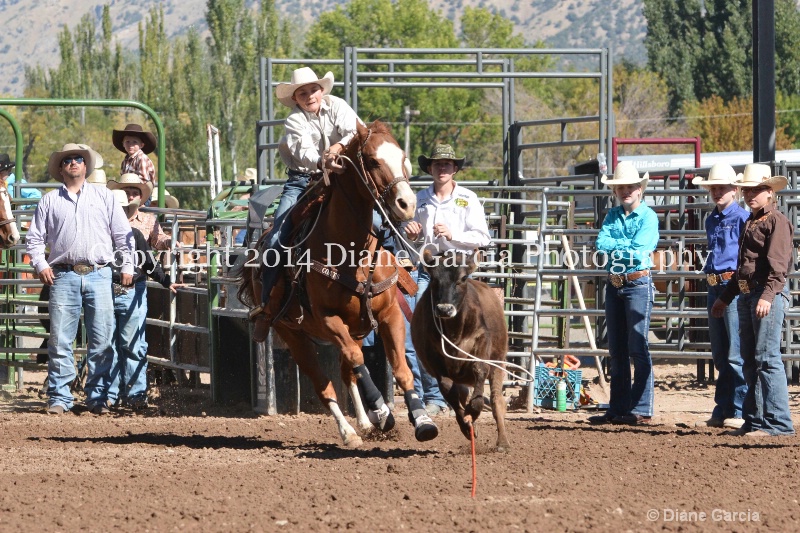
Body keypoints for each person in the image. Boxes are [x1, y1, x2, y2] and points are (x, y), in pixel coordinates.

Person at [251, 67, 361, 342]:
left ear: (321, 91)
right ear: (296, 99)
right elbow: (303, 150)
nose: (309, 95)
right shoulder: (294, 121)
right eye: (303, 93)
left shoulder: (339, 106)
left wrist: (337, 149)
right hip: (304, 181)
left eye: (313, 89)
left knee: (378, 222)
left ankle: (394, 278)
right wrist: (323, 160)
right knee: (276, 236)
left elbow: (355, 132)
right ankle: (267, 305)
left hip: (343, 179)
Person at [25, 143, 134, 415]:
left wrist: (128, 265)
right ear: (61, 169)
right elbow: (34, 239)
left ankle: (98, 397)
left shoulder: (104, 197)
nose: (73, 163)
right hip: (62, 274)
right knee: (60, 339)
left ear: (85, 166)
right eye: (68, 160)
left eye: (78, 159)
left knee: (102, 338)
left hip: (100, 272)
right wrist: (40, 264)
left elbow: (122, 235)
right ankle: (60, 398)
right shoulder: (49, 200)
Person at [404, 144, 491, 416]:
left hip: (457, 273)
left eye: (447, 164)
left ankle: (454, 386)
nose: (442, 168)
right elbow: (406, 244)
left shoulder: (467, 198)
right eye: (437, 164)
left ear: (455, 169)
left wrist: (454, 235)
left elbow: (483, 238)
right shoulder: (418, 199)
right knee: (419, 333)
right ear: (430, 168)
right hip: (429, 270)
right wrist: (412, 235)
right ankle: (433, 395)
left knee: (466, 333)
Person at [711, 163, 795, 437]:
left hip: (763, 295)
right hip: (750, 294)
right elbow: (743, 268)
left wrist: (768, 296)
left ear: (769, 192)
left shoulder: (776, 221)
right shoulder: (752, 221)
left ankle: (778, 423)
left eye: (756, 190)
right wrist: (726, 297)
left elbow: (778, 266)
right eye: (747, 190)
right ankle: (755, 420)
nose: (750, 195)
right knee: (750, 358)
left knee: (766, 358)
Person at [588, 161, 659, 426]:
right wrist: (625, 246)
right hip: (618, 283)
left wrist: (618, 247)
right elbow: (601, 243)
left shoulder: (648, 217)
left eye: (630, 186)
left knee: (637, 346)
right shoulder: (612, 215)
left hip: (637, 284)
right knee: (617, 349)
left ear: (640, 189)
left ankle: (640, 408)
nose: (626, 191)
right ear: (616, 190)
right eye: (621, 187)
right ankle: (619, 408)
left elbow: (640, 249)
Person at [106, 189, 183, 410]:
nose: (119, 213)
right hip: (110, 290)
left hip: (127, 289)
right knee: (112, 345)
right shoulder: (103, 234)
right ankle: (118, 395)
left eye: (123, 210)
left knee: (130, 344)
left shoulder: (135, 236)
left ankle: (133, 395)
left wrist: (166, 281)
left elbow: (149, 263)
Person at [692, 163, 748, 429]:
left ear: (734, 190)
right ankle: (724, 406)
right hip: (715, 283)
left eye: (722, 188)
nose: (717, 192)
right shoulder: (711, 218)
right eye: (714, 188)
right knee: (720, 352)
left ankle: (737, 409)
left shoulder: (741, 218)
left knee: (734, 353)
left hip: (730, 285)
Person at [108, 173, 171, 250]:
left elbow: (158, 238)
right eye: (126, 193)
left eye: (135, 194)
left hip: (141, 260)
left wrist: (168, 242)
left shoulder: (148, 218)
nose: (131, 197)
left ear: (140, 198)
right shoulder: (109, 217)